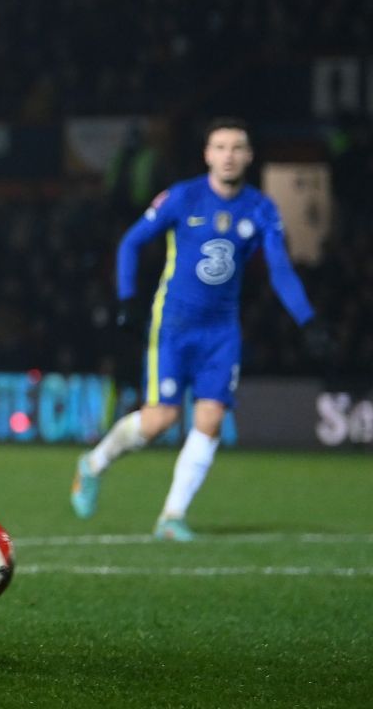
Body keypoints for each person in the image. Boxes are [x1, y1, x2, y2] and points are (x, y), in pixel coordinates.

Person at [72, 118, 328, 539]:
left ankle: (172, 517)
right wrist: (127, 299)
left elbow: (281, 271)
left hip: (222, 331)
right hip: (174, 324)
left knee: (209, 419)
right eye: (220, 147)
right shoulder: (183, 197)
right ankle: (93, 463)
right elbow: (131, 243)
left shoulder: (261, 208)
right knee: (159, 420)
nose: (228, 155)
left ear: (248, 156)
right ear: (207, 155)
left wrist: (308, 320)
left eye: (237, 147)